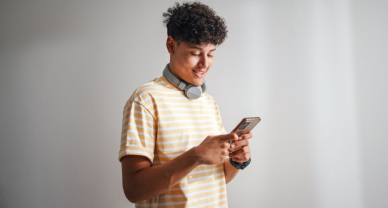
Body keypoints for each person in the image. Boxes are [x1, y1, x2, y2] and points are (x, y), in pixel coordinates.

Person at [119, 2, 253, 207]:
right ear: (171, 45)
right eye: (195, 53)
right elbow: (134, 189)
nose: (204, 64)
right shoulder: (146, 99)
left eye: (210, 54)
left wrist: (236, 161)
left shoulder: (208, 102)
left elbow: (215, 179)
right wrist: (196, 156)